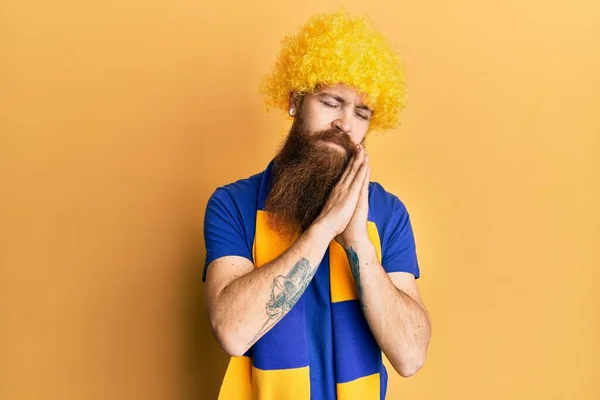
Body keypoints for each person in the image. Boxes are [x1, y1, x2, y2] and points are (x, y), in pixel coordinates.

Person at [202, 9, 431, 400]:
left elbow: (410, 356)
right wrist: (323, 228)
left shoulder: (389, 213)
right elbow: (233, 332)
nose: (345, 123)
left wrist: (358, 243)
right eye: (332, 101)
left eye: (362, 113)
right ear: (295, 100)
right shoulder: (232, 204)